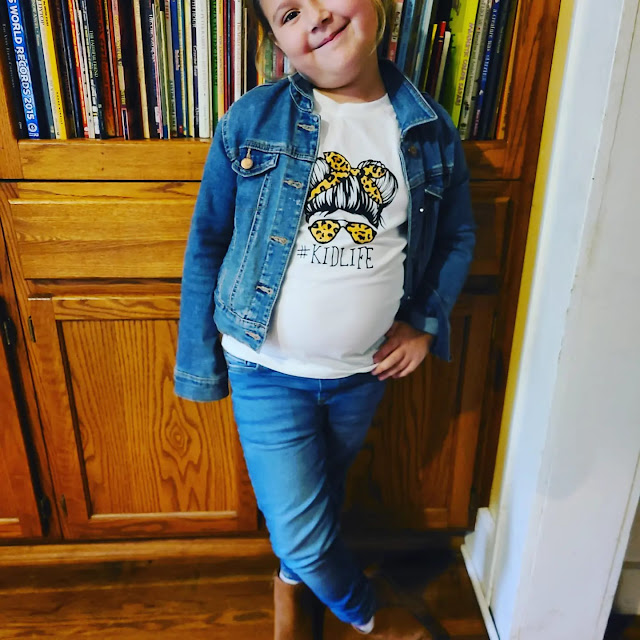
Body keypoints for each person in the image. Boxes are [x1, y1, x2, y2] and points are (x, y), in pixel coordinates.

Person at [174, 0, 476, 637]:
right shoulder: (252, 120)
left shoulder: (428, 130)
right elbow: (208, 241)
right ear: (276, 43)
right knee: (301, 527)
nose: (315, 16)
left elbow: (455, 236)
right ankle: (372, 616)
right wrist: (199, 363)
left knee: (324, 493)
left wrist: (425, 322)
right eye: (288, 13)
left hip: (361, 374)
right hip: (265, 370)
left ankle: (289, 583)